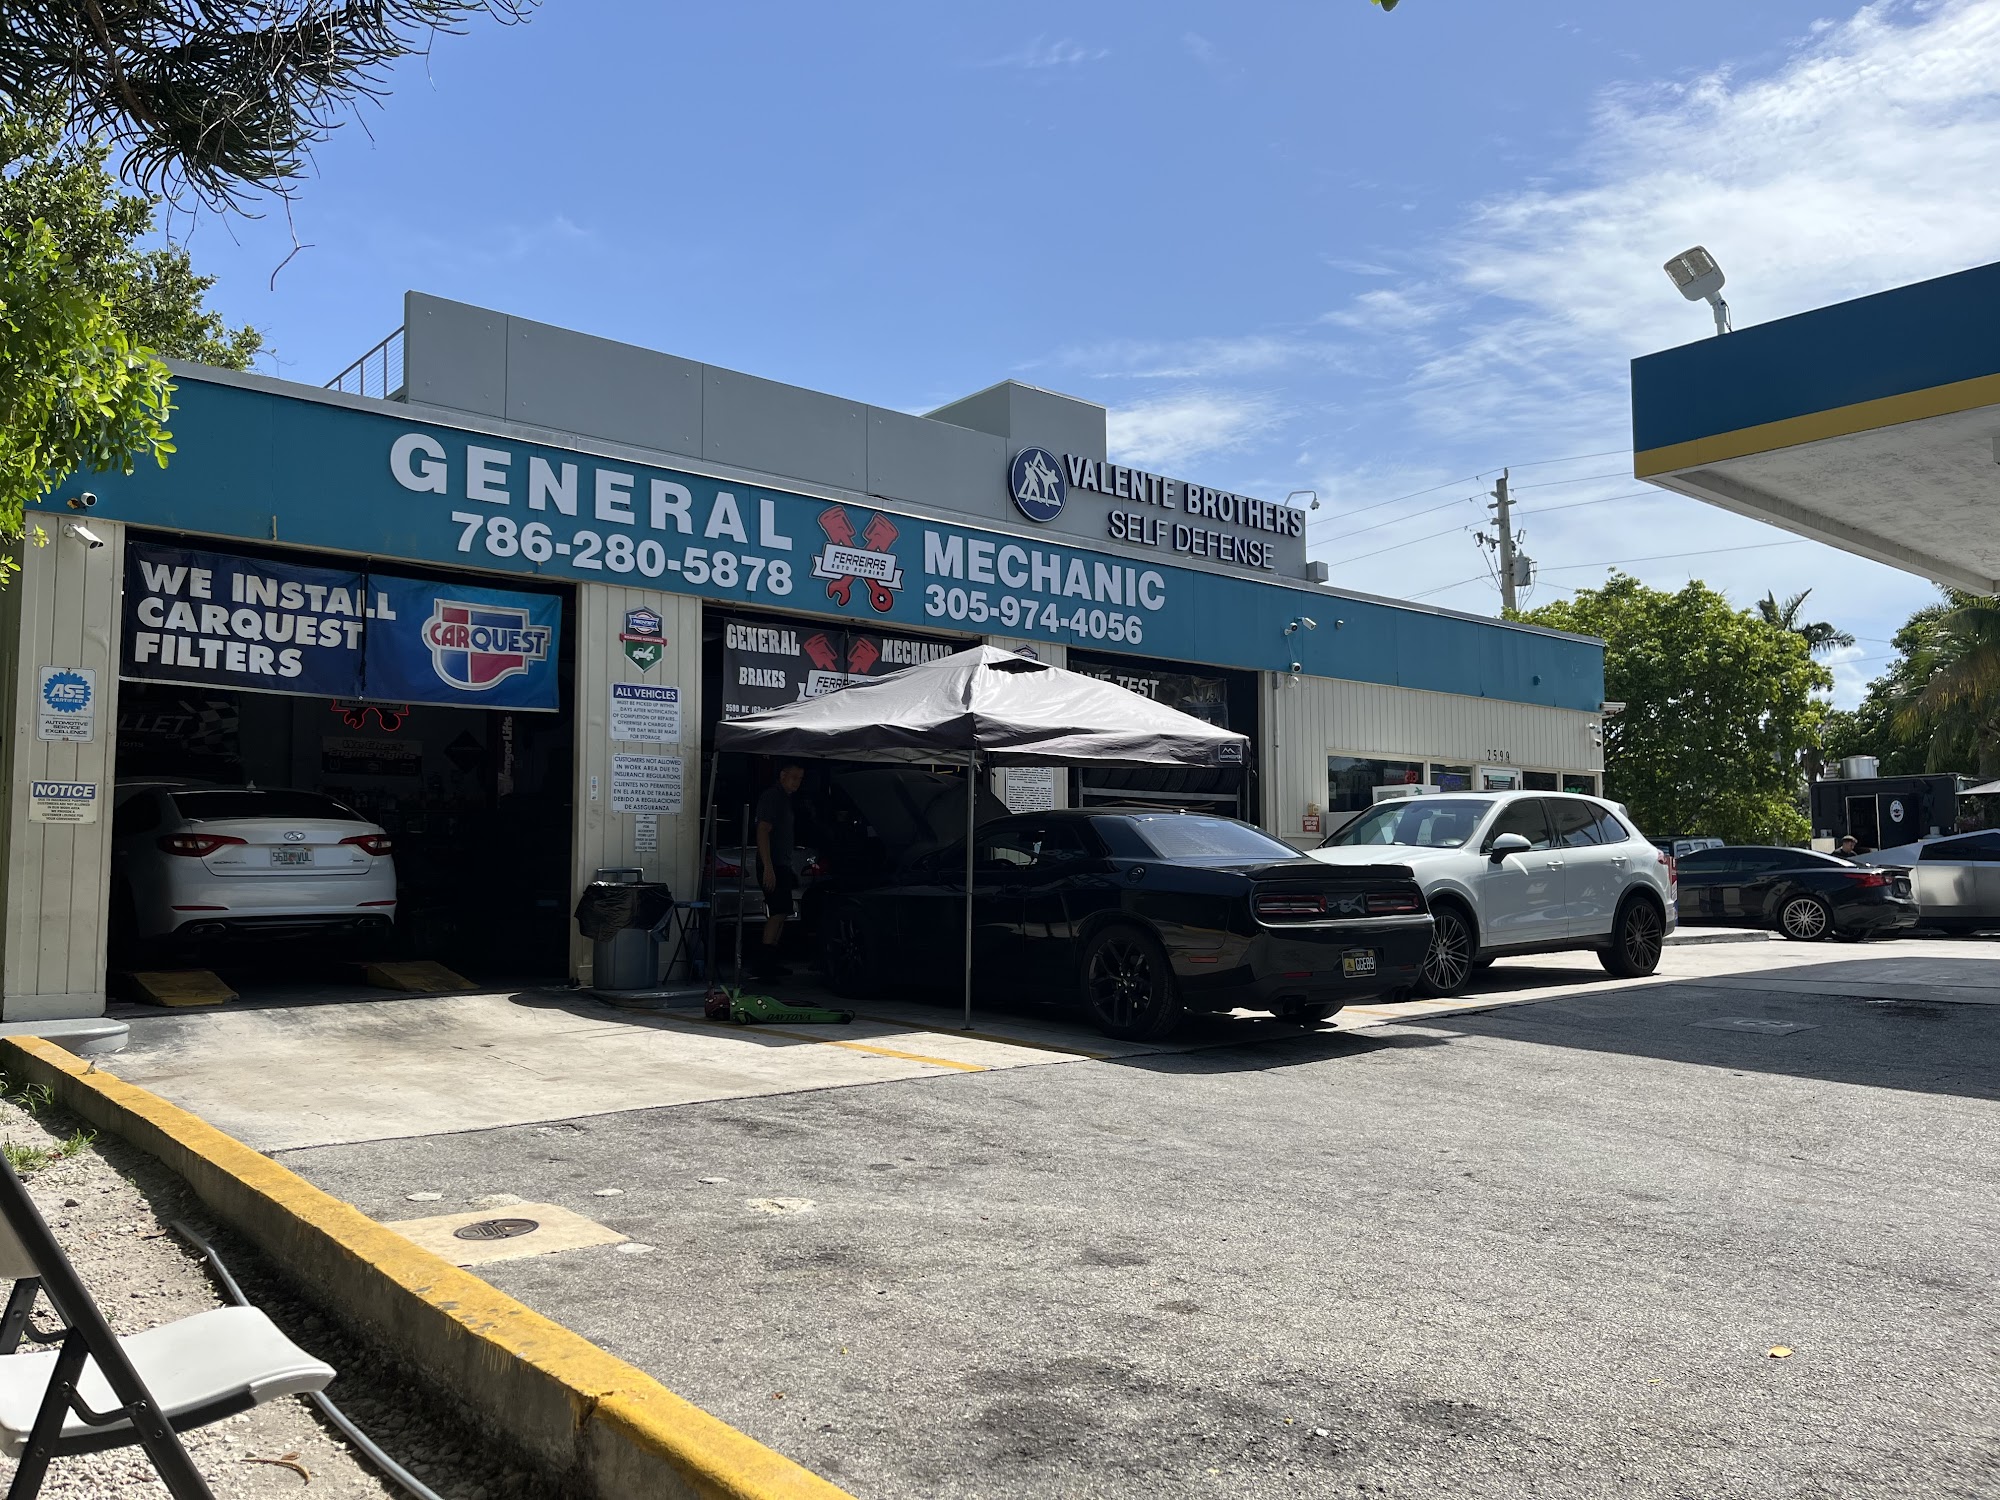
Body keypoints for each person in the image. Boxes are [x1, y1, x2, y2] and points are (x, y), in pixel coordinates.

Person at [753, 762, 805, 979]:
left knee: (783, 911)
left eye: (800, 778)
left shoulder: (785, 799)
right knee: (777, 912)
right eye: (794, 777)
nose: (797, 782)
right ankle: (764, 964)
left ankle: (771, 959)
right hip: (773, 864)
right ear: (783, 775)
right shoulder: (772, 797)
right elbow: (763, 830)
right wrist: (768, 867)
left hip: (782, 863)